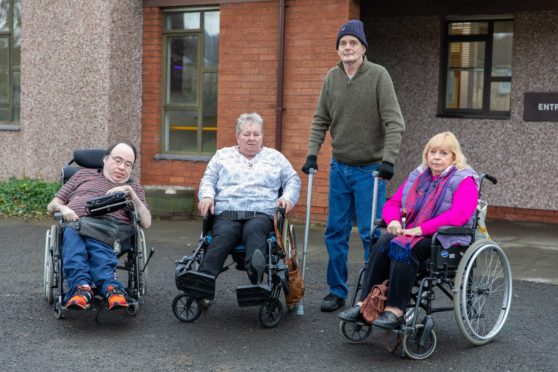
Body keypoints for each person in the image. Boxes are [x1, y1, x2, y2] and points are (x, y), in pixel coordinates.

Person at [301, 19, 405, 312]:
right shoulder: (331, 78)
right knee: (335, 231)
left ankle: (375, 291)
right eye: (343, 43)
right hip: (340, 167)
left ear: (363, 48)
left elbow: (394, 122)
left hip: (371, 171)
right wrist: (312, 153)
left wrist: (388, 160)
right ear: (338, 49)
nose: (347, 47)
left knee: (371, 234)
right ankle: (336, 291)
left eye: (353, 43)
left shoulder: (378, 76)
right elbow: (320, 119)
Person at [337, 132, 479, 329]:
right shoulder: (419, 176)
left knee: (406, 248)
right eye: (432, 152)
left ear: (454, 157)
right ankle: (365, 305)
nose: (436, 157)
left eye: (443, 153)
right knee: (384, 240)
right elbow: (393, 203)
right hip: (411, 233)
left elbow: (459, 215)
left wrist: (421, 229)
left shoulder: (465, 180)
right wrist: (394, 220)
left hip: (445, 239)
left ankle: (395, 310)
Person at [197, 112, 301, 287]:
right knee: (223, 236)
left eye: (256, 134)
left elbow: (293, 180)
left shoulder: (275, 157)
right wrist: (207, 196)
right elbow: (208, 179)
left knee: (254, 232)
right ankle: (202, 283)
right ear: (237, 136)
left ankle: (256, 277)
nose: (251, 138)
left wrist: (287, 197)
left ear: (262, 136)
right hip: (227, 213)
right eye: (246, 134)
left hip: (260, 214)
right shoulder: (222, 156)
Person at [47, 142, 151, 311]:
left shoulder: (133, 188)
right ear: (105, 160)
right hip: (75, 224)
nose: (122, 167)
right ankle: (110, 288)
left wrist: (131, 194)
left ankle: (81, 290)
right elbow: (52, 205)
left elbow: (146, 222)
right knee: (73, 230)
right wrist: (63, 207)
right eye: (118, 160)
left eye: (128, 164)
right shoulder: (81, 176)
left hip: (112, 231)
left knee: (80, 231)